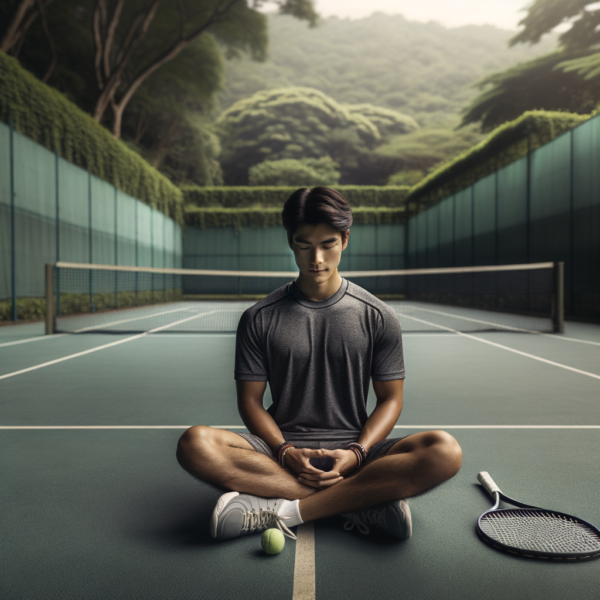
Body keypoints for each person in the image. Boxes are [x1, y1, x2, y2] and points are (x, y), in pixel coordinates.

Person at [177, 187, 462, 542]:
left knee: (445, 452)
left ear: (345, 240)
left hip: (356, 450)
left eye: (328, 244)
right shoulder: (258, 318)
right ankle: (362, 500)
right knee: (195, 443)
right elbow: (250, 402)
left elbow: (391, 399)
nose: (317, 258)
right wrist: (286, 451)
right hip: (279, 451)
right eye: (304, 244)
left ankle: (285, 509)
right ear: (290, 241)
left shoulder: (378, 316)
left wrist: (357, 453)